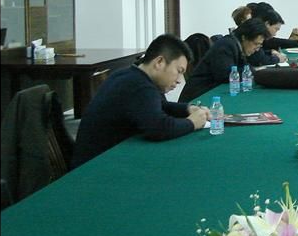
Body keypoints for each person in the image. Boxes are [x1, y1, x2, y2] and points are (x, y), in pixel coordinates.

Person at [71, 34, 211, 169]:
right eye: (179, 71)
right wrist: (192, 123)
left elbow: (160, 106)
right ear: (159, 62)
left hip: (102, 159)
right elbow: (159, 128)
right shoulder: (139, 86)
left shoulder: (129, 75)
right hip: (95, 168)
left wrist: (187, 109)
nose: (179, 79)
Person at [179, 18, 269, 103]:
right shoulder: (226, 45)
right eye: (256, 44)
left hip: (211, 94)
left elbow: (245, 69)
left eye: (259, 46)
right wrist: (254, 72)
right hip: (197, 98)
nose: (257, 49)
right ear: (244, 37)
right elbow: (226, 76)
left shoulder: (237, 46)